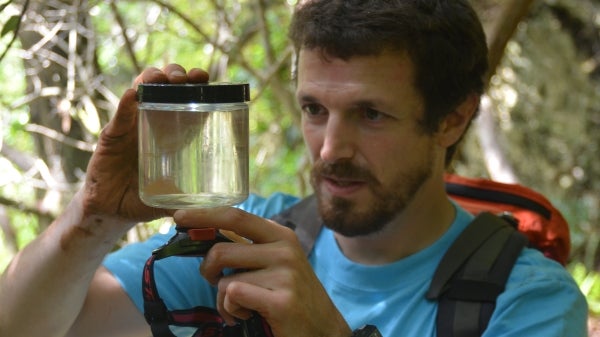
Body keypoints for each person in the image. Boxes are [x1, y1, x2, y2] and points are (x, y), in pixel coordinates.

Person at [0, 0, 588, 336]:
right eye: (314, 108)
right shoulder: (242, 239)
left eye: (371, 114)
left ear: (453, 120)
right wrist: (92, 220)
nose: (331, 148)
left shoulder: (528, 301)